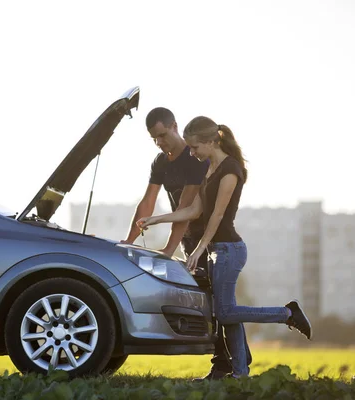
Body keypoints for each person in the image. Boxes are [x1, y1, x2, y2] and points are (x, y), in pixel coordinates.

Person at [137, 116, 312, 377]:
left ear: (210, 142)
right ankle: (240, 375)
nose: (192, 152)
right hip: (217, 251)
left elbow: (217, 216)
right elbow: (195, 210)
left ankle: (287, 313)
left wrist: (199, 249)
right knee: (227, 314)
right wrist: (155, 219)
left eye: (195, 147)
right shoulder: (209, 168)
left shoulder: (230, 170)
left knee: (225, 312)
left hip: (229, 250)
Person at [121, 107, 233, 379]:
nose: (160, 142)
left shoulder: (195, 159)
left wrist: (169, 249)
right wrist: (128, 240)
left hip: (208, 242)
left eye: (162, 135)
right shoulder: (160, 162)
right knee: (211, 302)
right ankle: (227, 364)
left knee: (219, 303)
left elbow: (185, 208)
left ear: (174, 126)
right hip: (188, 242)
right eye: (154, 139)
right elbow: (147, 202)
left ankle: (226, 364)